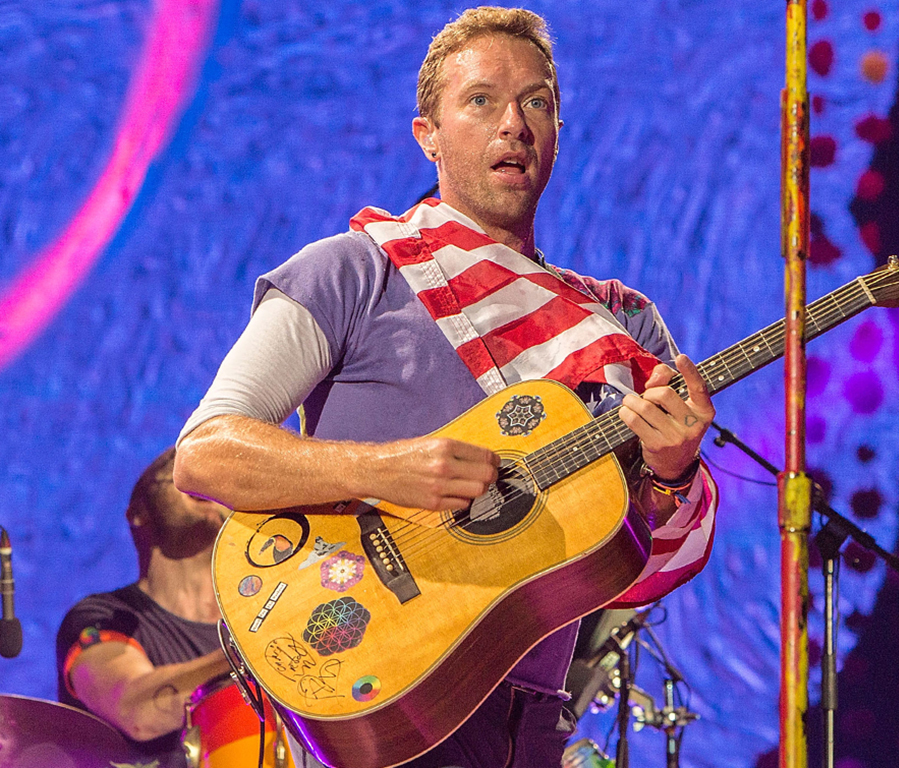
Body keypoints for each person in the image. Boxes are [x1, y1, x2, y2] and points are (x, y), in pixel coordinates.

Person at [174, 7, 719, 767]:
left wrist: (673, 473)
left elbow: (642, 561)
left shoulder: (623, 327)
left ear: (558, 131)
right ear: (426, 134)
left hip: (532, 723)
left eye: (536, 103)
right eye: (481, 101)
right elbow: (203, 455)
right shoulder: (353, 270)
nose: (514, 127)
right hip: (378, 694)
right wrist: (387, 469)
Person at [57, 447, 231, 766]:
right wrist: (253, 656)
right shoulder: (102, 617)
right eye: (180, 473)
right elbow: (135, 710)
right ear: (138, 513)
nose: (203, 481)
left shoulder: (251, 625)